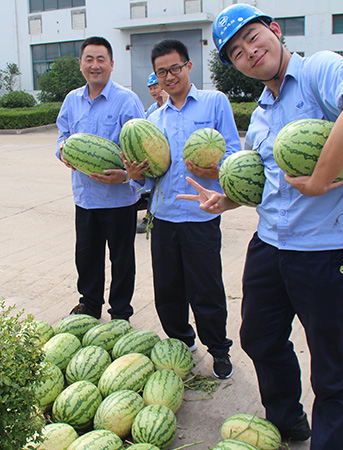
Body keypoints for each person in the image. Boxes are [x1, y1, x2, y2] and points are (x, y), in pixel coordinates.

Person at [179, 4, 343, 448]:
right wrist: (227, 199)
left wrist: (321, 178)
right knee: (259, 337)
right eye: (236, 52)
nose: (249, 52)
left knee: (331, 366)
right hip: (271, 243)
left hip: (328, 247)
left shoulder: (318, 71)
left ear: (274, 30)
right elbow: (268, 184)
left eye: (253, 38)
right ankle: (288, 421)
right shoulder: (262, 113)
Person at [124, 39, 242, 379]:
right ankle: (181, 342)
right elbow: (150, 176)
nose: (169, 76)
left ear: (188, 66)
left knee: (206, 288)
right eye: (162, 72)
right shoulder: (152, 119)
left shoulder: (214, 102)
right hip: (162, 217)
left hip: (201, 215)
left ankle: (218, 348)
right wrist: (135, 175)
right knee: (168, 290)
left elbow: (234, 154)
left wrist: (215, 171)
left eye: (175, 68)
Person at [56, 36, 146, 321]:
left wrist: (125, 176)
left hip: (120, 199)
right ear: (81, 64)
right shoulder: (72, 100)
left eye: (101, 59)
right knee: (86, 256)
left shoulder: (127, 100)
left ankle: (120, 312)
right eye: (89, 59)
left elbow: (141, 147)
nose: (95, 65)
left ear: (111, 64)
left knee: (122, 260)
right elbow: (63, 136)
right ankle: (90, 304)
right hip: (85, 198)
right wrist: (63, 152)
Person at [136, 72, 168, 234]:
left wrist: (166, 103)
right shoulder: (152, 110)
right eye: (150, 88)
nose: (153, 91)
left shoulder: (170, 105)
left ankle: (151, 216)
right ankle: (150, 215)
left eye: (156, 87)